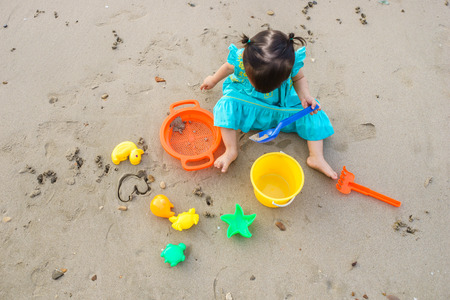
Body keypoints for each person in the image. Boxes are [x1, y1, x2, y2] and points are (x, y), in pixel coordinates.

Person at [200, 30, 337, 179]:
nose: (262, 90)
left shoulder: (289, 64)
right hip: (247, 97)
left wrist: (306, 97)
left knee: (312, 112)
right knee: (225, 106)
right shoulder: (242, 58)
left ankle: (316, 157)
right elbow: (227, 67)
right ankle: (231, 151)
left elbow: (299, 79)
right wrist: (213, 80)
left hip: (279, 103)